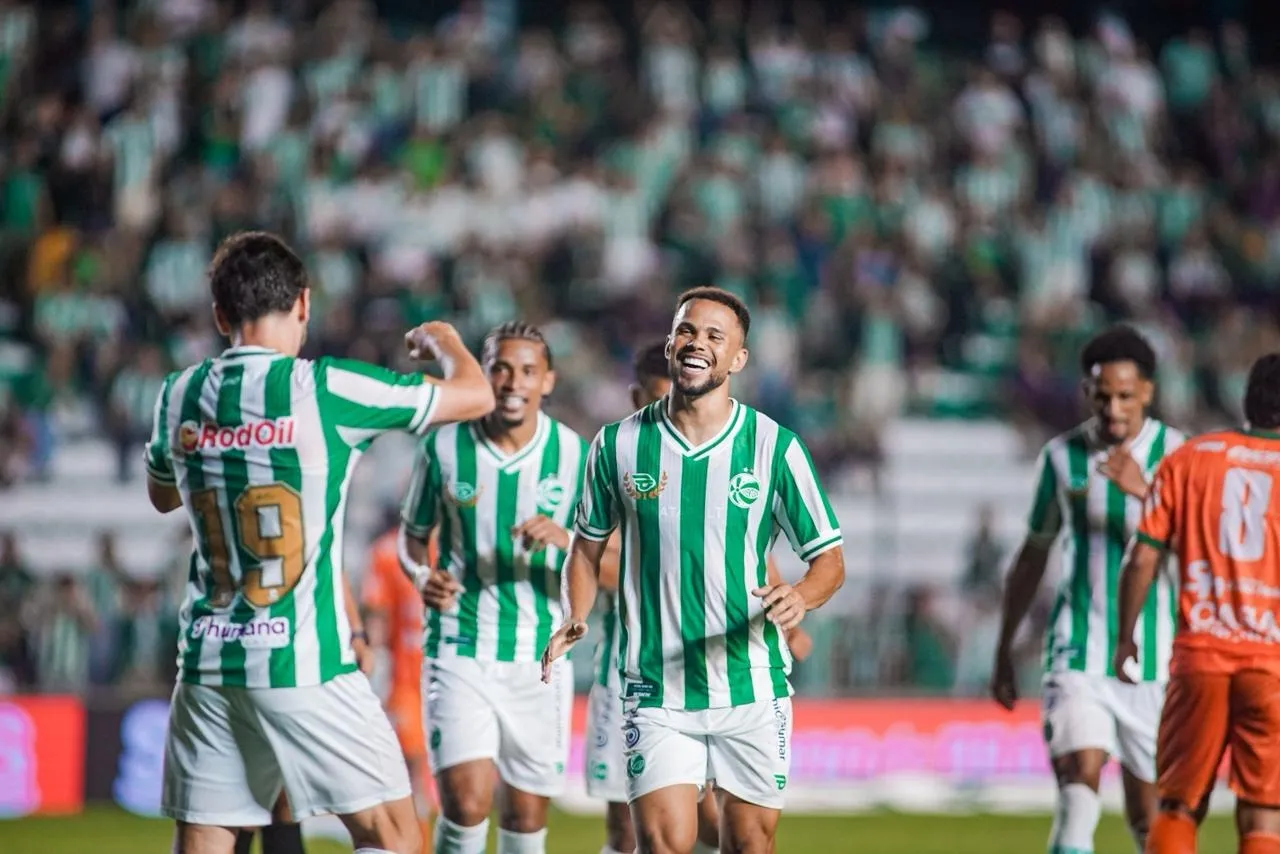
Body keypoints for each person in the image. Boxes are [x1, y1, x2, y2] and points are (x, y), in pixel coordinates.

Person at [144, 230, 495, 854]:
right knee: (396, 837)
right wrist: (444, 340)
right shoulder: (326, 389)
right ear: (303, 304)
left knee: (206, 840)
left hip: (206, 662)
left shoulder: (178, 395)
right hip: (304, 660)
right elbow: (476, 396)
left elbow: (164, 495)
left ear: (221, 315)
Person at [543, 287, 846, 854]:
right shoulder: (617, 445)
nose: (696, 343)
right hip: (655, 686)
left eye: (714, 336)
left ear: (738, 359)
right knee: (662, 845)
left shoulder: (775, 448)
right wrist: (574, 612)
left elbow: (828, 559)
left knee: (750, 846)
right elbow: (585, 548)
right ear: (669, 344)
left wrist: (802, 597)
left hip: (751, 684)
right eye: (687, 330)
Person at [584, 341, 814, 854]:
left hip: (728, 674)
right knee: (631, 829)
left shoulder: (741, 452)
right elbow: (586, 557)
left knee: (721, 829)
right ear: (636, 394)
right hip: (637, 672)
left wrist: (788, 617)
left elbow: (746, 548)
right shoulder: (617, 455)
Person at [990, 325, 1186, 854]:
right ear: (1087, 393)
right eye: (1103, 396)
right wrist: (1004, 646)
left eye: (1126, 396)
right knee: (1079, 788)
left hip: (1157, 661)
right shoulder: (1061, 457)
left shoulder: (1180, 457)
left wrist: (1147, 495)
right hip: (1077, 650)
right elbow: (1032, 556)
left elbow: (1200, 554)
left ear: (1148, 390)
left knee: (1152, 824)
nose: (1114, 408)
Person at [398, 321, 588, 854]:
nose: (512, 382)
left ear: (547, 381)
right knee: (465, 803)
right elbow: (410, 539)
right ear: (484, 376)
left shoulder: (574, 455)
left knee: (526, 816)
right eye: (500, 368)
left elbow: (610, 560)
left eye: (528, 370)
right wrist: (420, 575)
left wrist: (567, 538)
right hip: (460, 646)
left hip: (540, 656)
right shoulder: (444, 447)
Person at [1116, 352, 1280, 854]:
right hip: (1272, 662)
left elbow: (1142, 558)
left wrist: (1126, 637)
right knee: (1264, 810)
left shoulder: (1190, 458)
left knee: (1179, 802)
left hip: (1201, 654)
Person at [362, 512, 439, 854]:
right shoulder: (387, 551)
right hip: (406, 682)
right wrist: (376, 664)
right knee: (410, 773)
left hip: (452, 675)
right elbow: (377, 614)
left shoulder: (457, 545)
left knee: (458, 783)